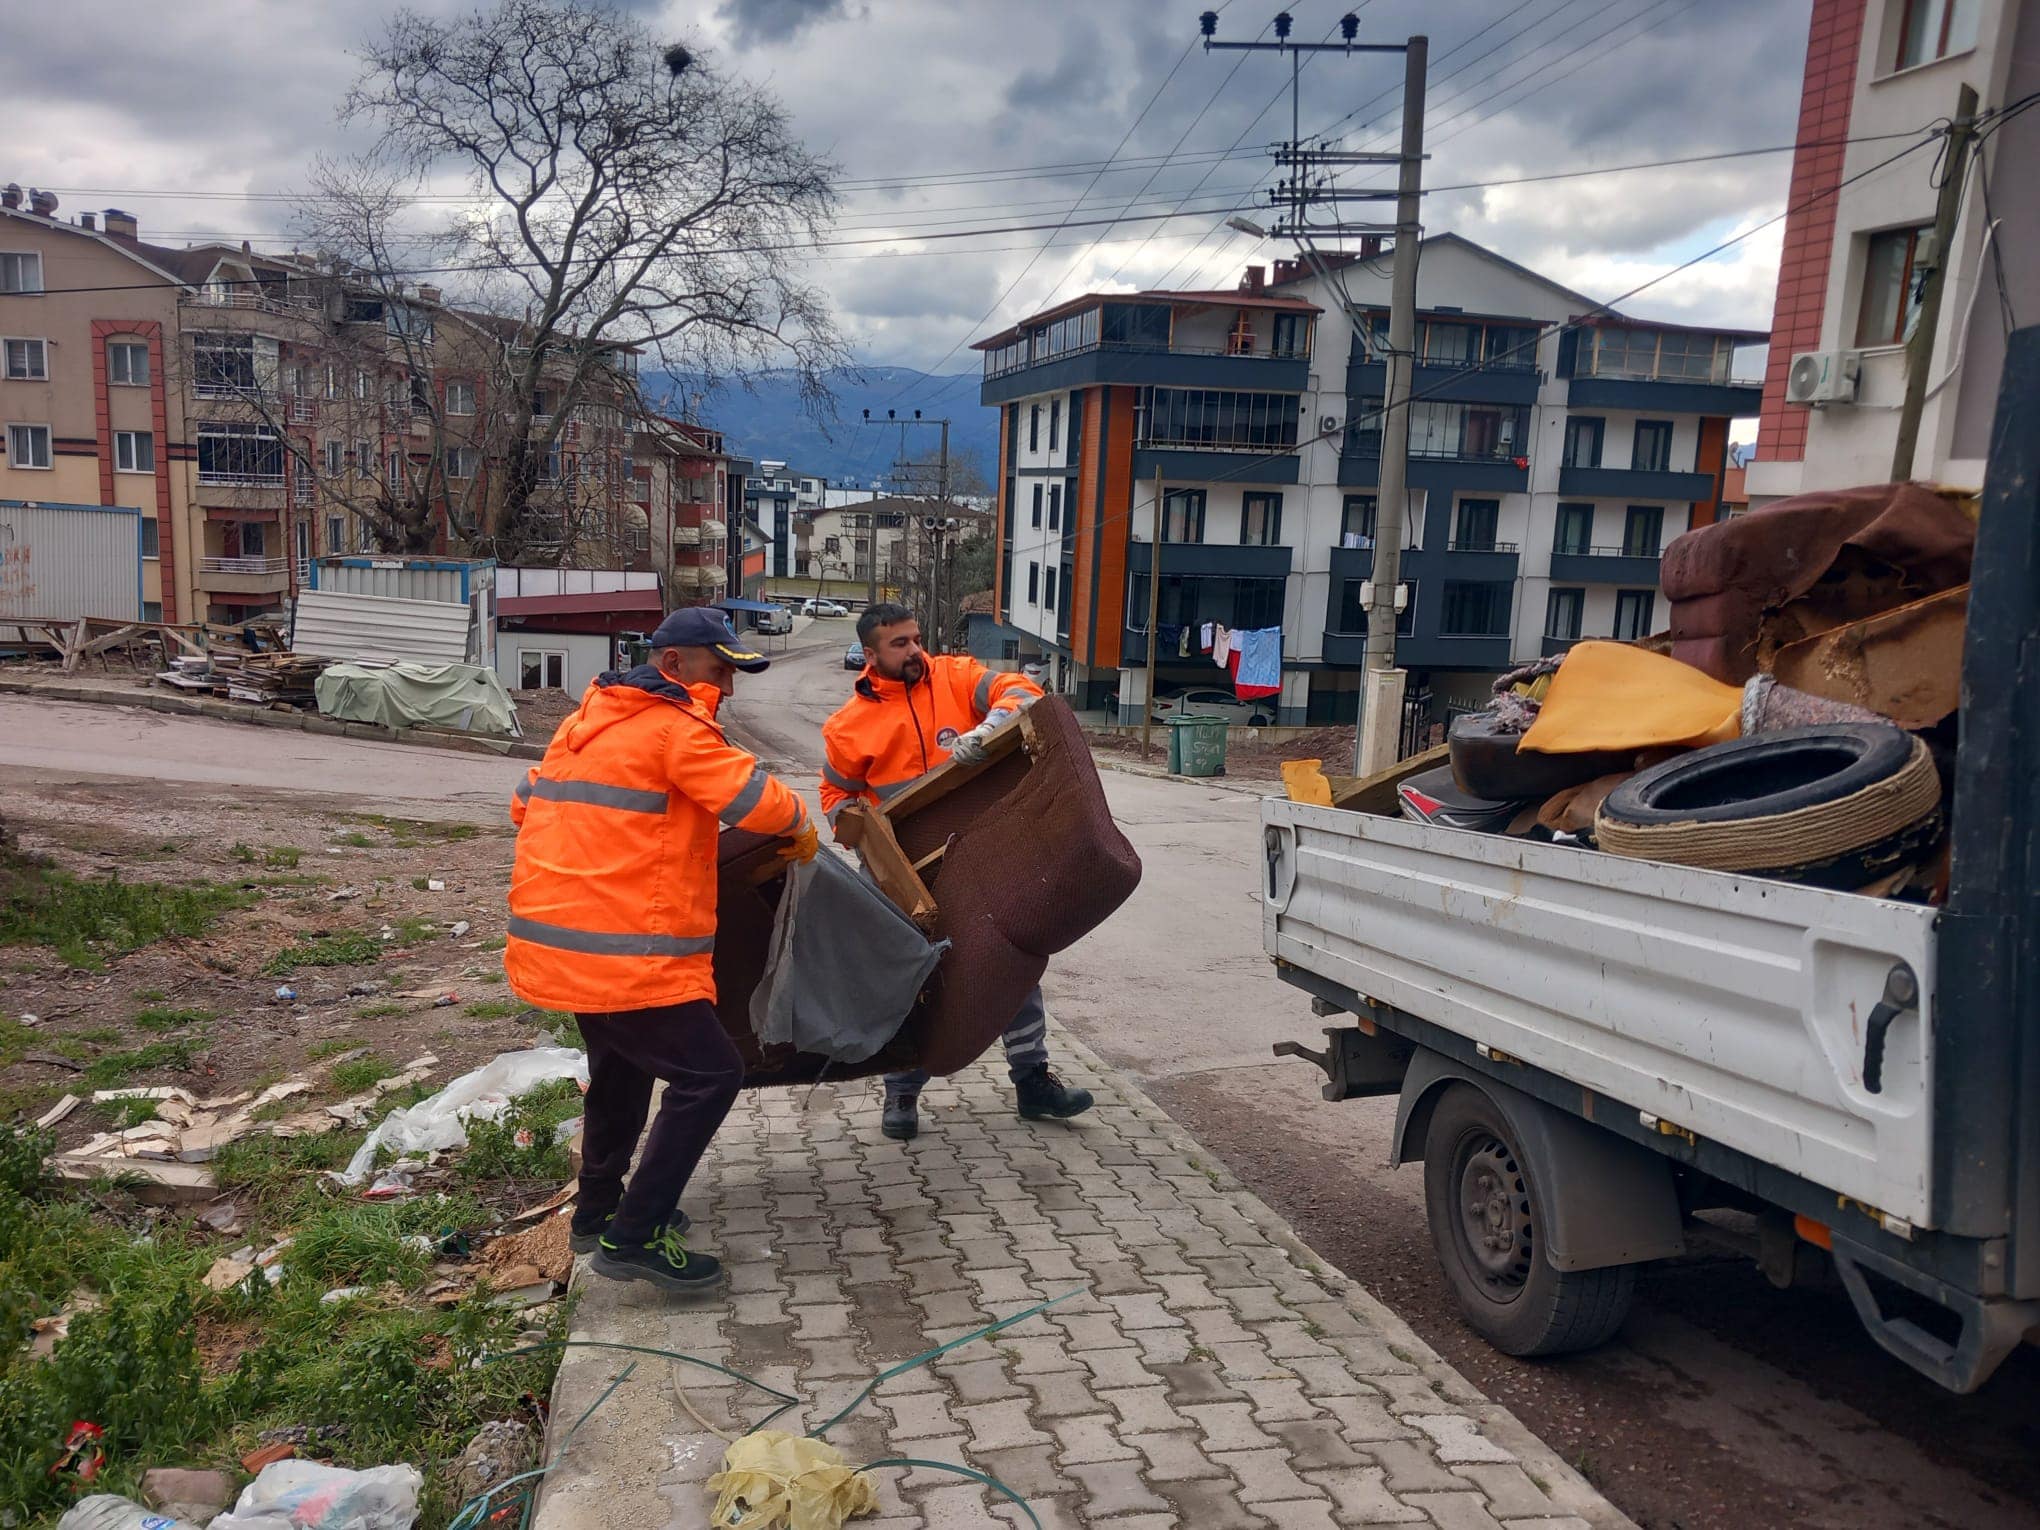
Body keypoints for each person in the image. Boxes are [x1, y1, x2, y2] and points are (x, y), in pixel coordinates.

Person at [506, 607, 817, 1293]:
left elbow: (523, 806)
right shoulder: (674, 730)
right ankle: (635, 1235)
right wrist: (800, 823)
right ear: (673, 665)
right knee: (711, 1075)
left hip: (562, 945)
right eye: (719, 671)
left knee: (620, 1076)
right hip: (624, 953)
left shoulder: (581, 725)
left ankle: (595, 1214)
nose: (729, 690)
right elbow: (758, 804)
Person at [819, 603, 1095, 1141]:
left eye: (916, 638)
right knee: (912, 979)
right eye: (899, 644)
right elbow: (835, 795)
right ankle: (901, 1092)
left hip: (984, 853)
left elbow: (1022, 691)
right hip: (906, 872)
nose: (914, 650)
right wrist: (864, 834)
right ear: (870, 655)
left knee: (1010, 961)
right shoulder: (848, 727)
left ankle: (1033, 1081)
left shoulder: (957, 676)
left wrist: (992, 727)